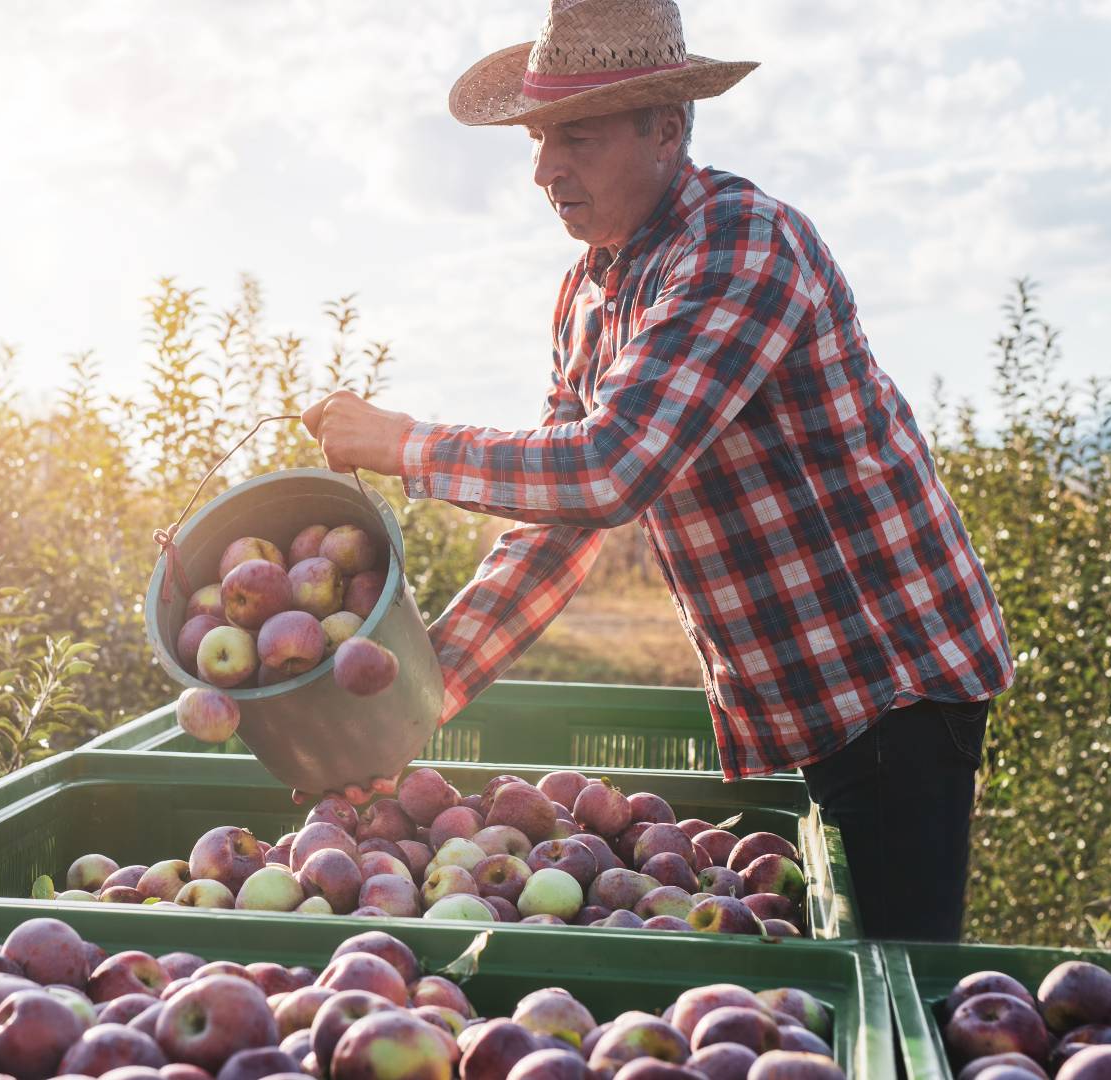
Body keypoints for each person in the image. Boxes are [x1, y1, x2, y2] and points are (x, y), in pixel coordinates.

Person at [299, 0, 1013, 942]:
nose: (549, 170)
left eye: (580, 139)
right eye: (540, 139)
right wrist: (421, 701)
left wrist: (402, 445)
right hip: (815, 692)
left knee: (893, 969)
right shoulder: (592, 290)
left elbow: (609, 471)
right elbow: (562, 525)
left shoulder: (739, 245)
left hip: (892, 683)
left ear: (668, 128)